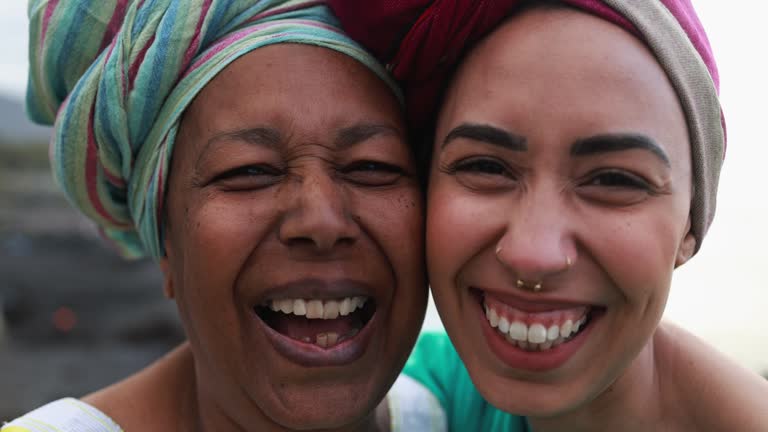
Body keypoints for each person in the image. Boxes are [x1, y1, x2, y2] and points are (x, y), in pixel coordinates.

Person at [330, 0, 768, 430]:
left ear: (690, 224)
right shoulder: (425, 394)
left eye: (614, 180)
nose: (532, 254)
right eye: (486, 167)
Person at [2, 1, 429, 431]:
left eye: (373, 167)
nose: (322, 221)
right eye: (249, 171)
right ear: (166, 242)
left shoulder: (465, 403)